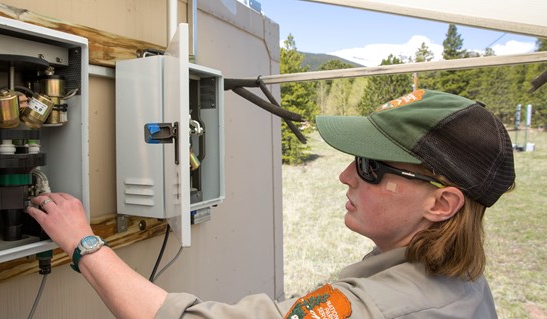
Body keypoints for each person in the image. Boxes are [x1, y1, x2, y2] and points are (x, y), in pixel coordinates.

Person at [27, 89, 514, 318]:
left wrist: (82, 241)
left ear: (442, 203)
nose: (346, 174)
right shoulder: (461, 277)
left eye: (370, 167)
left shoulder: (384, 308)